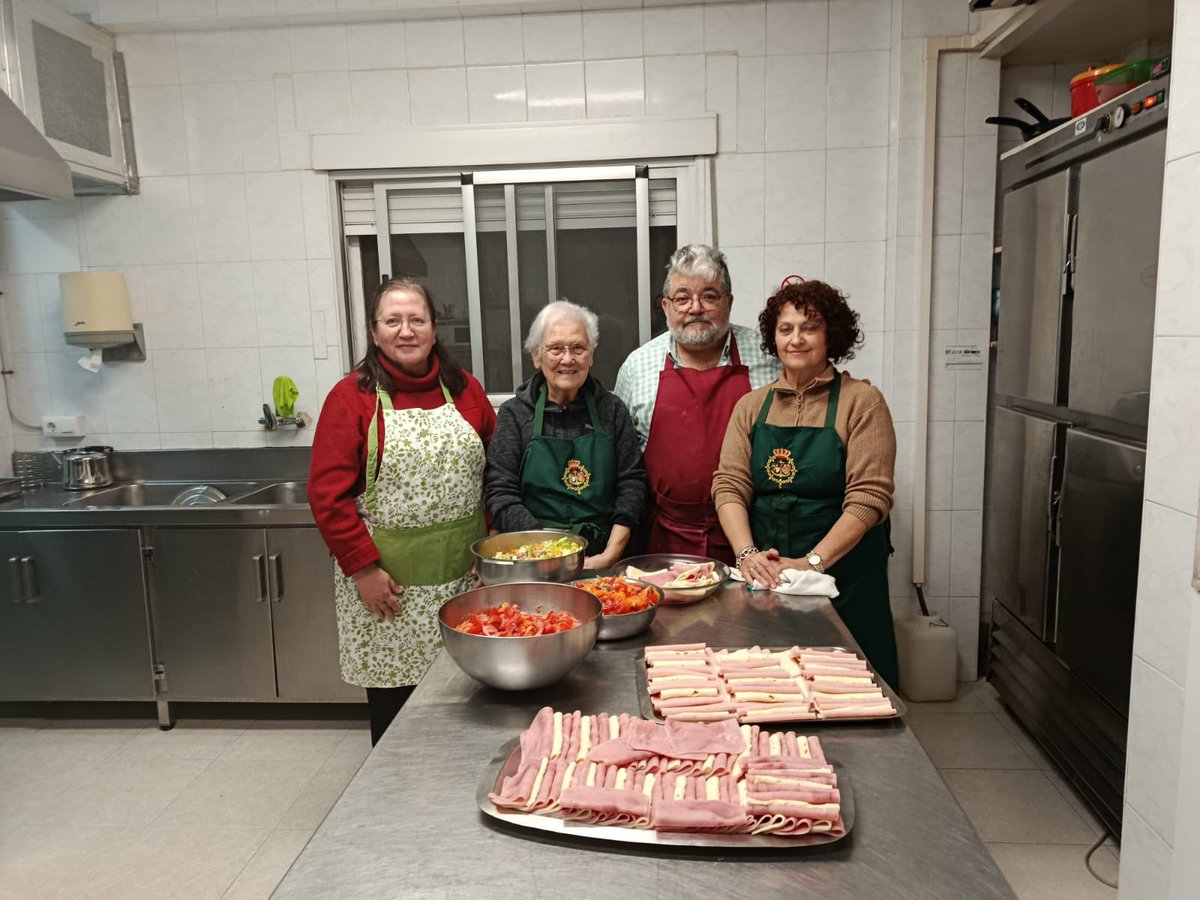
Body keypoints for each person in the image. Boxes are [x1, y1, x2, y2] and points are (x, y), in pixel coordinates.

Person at [308, 278, 496, 745]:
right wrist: (362, 569)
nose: (406, 331)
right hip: (389, 587)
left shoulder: (465, 389)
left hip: (462, 575)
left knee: (466, 701)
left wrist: (489, 554)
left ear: (435, 329)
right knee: (398, 715)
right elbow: (326, 496)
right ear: (374, 332)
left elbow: (496, 475)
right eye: (393, 321)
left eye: (417, 320)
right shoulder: (351, 398)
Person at [712, 278, 899, 687]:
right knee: (771, 686)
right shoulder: (750, 406)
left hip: (845, 575)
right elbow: (729, 484)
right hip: (768, 574)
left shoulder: (862, 402)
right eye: (786, 329)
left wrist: (810, 564)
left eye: (809, 327)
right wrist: (747, 556)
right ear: (773, 338)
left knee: (848, 688)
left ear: (831, 335)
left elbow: (869, 497)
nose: (796, 339)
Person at [613, 244, 779, 564]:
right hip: (662, 538)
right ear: (665, 306)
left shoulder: (770, 357)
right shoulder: (637, 366)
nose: (695, 307)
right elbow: (621, 462)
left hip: (754, 537)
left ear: (728, 303)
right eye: (682, 297)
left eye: (709, 296)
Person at [486, 300, 646, 569]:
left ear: (591, 355)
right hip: (533, 557)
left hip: (603, 557)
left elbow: (632, 484)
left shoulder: (613, 411)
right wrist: (548, 553)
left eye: (578, 348)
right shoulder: (515, 415)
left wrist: (610, 554)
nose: (568, 359)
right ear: (537, 356)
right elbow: (500, 493)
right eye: (555, 349)